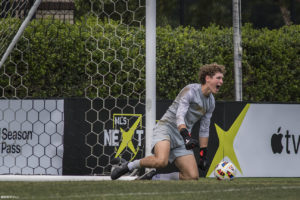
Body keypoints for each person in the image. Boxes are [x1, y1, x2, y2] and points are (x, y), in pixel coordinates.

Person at [111, 63, 225, 180]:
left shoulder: (211, 102)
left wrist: (203, 155)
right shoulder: (190, 90)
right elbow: (179, 116)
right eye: (218, 78)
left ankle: (153, 178)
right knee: (161, 161)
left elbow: (204, 128)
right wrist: (186, 137)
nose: (221, 82)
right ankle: (129, 166)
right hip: (166, 128)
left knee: (192, 176)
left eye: (222, 79)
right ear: (207, 78)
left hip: (182, 137)